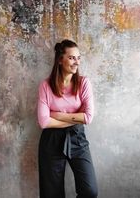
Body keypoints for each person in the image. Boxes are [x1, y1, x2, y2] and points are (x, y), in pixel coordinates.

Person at [37, 39, 98, 198]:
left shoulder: (84, 83)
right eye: (71, 58)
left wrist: (58, 115)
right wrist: (76, 117)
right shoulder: (46, 86)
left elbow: (88, 117)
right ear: (59, 60)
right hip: (51, 140)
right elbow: (43, 122)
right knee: (52, 194)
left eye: (78, 57)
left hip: (77, 137)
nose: (76, 62)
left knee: (90, 191)